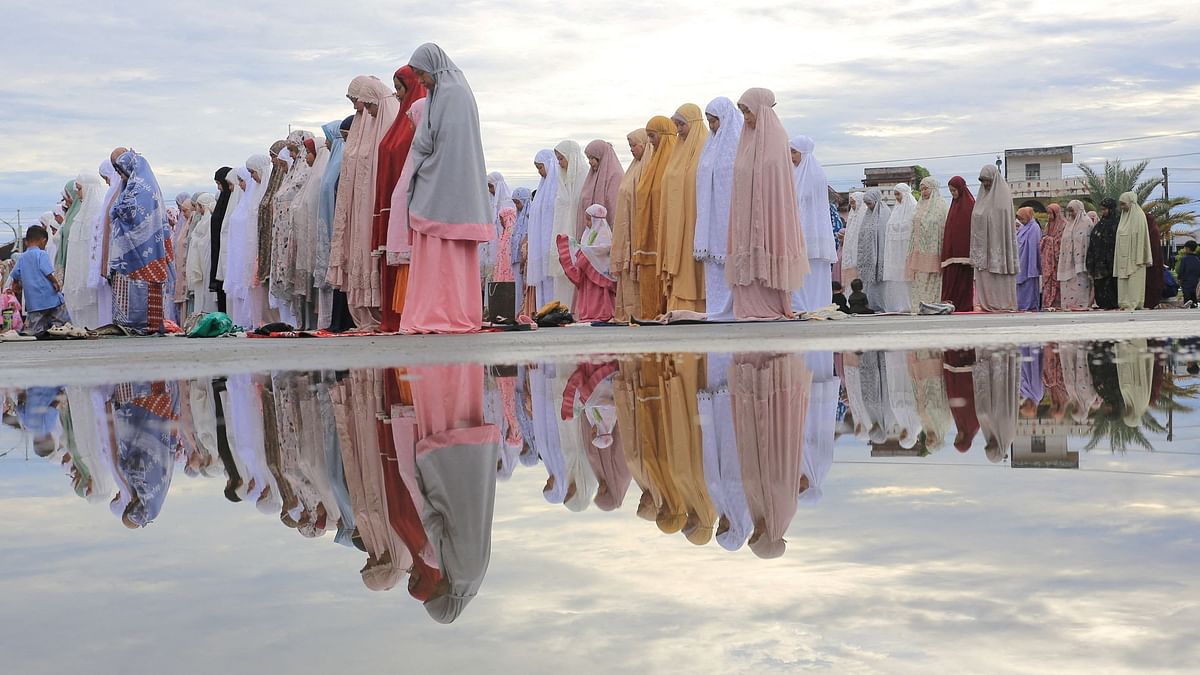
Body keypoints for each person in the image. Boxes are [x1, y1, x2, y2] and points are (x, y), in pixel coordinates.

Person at [400, 44, 493, 334]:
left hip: (443, 185)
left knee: (443, 252)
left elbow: (436, 141)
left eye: (421, 74)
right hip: (446, 184)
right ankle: (448, 312)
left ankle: (442, 314)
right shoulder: (449, 92)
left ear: (433, 67)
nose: (421, 81)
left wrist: (420, 160)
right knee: (446, 254)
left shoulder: (451, 95)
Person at [726, 88, 808, 320]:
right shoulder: (746, 139)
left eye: (748, 111)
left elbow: (775, 175)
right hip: (747, 211)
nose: (746, 117)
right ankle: (750, 303)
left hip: (770, 212)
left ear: (760, 109)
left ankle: (772, 302)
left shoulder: (777, 137)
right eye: (742, 112)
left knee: (769, 245)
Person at [107, 148, 174, 332]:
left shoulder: (144, 188)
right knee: (126, 286)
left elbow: (131, 213)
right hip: (127, 249)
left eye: (122, 171)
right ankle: (127, 323)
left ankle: (145, 324)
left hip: (145, 249)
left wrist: (118, 210)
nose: (120, 176)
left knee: (145, 285)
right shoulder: (128, 188)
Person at [694, 97, 742, 321]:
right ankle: (716, 309)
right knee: (714, 266)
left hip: (730, 214)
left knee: (730, 261)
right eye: (709, 121)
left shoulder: (736, 144)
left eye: (714, 121)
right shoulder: (710, 147)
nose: (712, 126)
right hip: (711, 217)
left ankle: (735, 308)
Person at [660, 104, 709, 313]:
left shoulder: (704, 149)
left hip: (695, 220)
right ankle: (678, 306)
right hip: (676, 223)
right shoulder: (678, 153)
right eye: (677, 124)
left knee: (693, 263)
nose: (678, 129)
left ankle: (698, 307)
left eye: (682, 124)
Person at [633, 116, 677, 319]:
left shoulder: (673, 161)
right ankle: (650, 313)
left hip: (667, 234)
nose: (650, 141)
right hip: (650, 236)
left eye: (652, 136)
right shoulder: (653, 163)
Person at [788, 135, 836, 313]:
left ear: (805, 152)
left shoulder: (816, 175)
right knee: (800, 272)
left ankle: (817, 305)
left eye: (794, 152)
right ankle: (801, 306)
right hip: (797, 230)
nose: (791, 157)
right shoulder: (793, 174)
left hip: (813, 231)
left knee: (814, 271)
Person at [612, 130, 652, 322]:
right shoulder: (633, 168)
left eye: (634, 146)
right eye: (630, 147)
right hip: (627, 231)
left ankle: (639, 311)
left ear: (644, 145)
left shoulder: (647, 166)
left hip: (638, 230)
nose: (632, 150)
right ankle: (628, 311)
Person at [11, 225, 75, 335]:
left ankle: (39, 334)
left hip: (33, 302)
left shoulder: (22, 257)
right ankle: (59, 331)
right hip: (50, 297)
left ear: (26, 242)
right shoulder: (42, 254)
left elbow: (15, 274)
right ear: (43, 241)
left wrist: (15, 284)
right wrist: (55, 282)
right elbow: (47, 272)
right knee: (61, 321)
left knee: (36, 328)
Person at [556, 204, 615, 322]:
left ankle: (602, 313)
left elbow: (603, 249)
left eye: (589, 219)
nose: (587, 222)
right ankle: (589, 313)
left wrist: (586, 252)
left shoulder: (603, 233)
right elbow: (585, 247)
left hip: (599, 272)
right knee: (588, 293)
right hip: (588, 272)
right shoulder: (588, 233)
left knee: (599, 294)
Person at [970, 164, 1018, 311]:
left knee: (998, 277)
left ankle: (1003, 303)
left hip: (998, 247)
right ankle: (987, 303)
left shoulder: (1002, 198)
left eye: (988, 180)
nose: (985, 184)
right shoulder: (981, 199)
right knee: (985, 277)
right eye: (983, 181)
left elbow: (1000, 220)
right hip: (983, 248)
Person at [550, 140, 589, 307]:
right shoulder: (562, 180)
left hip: (576, 232)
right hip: (561, 233)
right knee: (562, 274)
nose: (560, 163)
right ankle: (563, 309)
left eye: (561, 159)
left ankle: (576, 309)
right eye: (558, 159)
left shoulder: (584, 177)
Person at [906, 176, 948, 309]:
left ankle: (932, 306)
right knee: (919, 279)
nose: (923, 192)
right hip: (919, 251)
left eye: (926, 189)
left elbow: (943, 228)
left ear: (933, 189)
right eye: (921, 189)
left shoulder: (941, 206)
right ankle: (917, 306)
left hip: (934, 251)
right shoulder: (919, 207)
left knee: (932, 280)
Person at [526, 149, 560, 308]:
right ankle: (542, 310)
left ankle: (554, 309)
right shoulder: (541, 190)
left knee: (553, 278)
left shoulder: (558, 187)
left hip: (553, 243)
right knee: (543, 279)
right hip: (541, 243)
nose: (539, 172)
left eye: (540, 167)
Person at [940, 176, 975, 311]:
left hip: (964, 252)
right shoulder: (954, 205)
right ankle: (950, 303)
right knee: (951, 279)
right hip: (952, 252)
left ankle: (964, 305)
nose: (953, 194)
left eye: (954, 190)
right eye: (951, 191)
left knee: (963, 281)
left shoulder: (970, 204)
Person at [1114, 191, 1154, 310]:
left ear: (1131, 202)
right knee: (1123, 281)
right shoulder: (1123, 218)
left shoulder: (1139, 216)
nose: (1122, 207)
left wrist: (1139, 256)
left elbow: (1141, 239)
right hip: (1123, 257)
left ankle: (1134, 302)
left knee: (1134, 281)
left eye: (1124, 204)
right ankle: (1124, 303)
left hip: (1135, 257)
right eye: (1120, 204)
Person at [881, 183, 917, 312]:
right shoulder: (895, 209)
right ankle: (897, 304)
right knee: (897, 278)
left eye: (898, 194)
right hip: (896, 251)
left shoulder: (913, 208)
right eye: (895, 194)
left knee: (906, 278)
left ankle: (909, 304)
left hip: (906, 250)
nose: (897, 197)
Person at [856, 188, 890, 311]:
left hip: (881, 256)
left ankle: (881, 305)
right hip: (869, 257)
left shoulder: (885, 213)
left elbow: (884, 235)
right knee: (870, 285)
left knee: (880, 285)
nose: (868, 206)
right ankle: (870, 305)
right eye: (866, 204)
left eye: (870, 203)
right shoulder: (868, 216)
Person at [1057, 199, 1093, 310]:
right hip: (1068, 261)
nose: (1071, 214)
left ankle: (1081, 304)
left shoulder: (1087, 223)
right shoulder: (1069, 224)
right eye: (1069, 211)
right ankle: (1069, 305)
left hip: (1081, 262)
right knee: (1069, 284)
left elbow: (1087, 242)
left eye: (1072, 211)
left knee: (1080, 283)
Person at [1087, 197, 1119, 309]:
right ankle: (1103, 303)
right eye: (1102, 209)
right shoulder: (1100, 224)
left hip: (1111, 261)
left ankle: (1112, 303)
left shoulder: (1117, 223)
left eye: (1105, 209)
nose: (1103, 212)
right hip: (1099, 261)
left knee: (1110, 283)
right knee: (1100, 283)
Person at [1041, 203, 1067, 309]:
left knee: (1057, 280)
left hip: (1058, 259)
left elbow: (1062, 241)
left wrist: (1050, 240)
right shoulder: (1048, 225)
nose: (1049, 216)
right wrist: (1047, 240)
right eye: (1048, 213)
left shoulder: (1063, 225)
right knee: (1048, 281)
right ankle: (1048, 302)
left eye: (1051, 213)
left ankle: (1058, 302)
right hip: (1048, 260)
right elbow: (1043, 238)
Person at [1015, 206, 1042, 311]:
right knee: (1020, 285)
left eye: (1022, 218)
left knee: (1030, 285)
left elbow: (1034, 247)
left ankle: (1031, 305)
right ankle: (1021, 305)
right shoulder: (1022, 227)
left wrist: (1033, 265)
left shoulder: (1034, 227)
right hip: (1020, 260)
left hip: (1029, 261)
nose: (1021, 221)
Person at [840, 191, 866, 281]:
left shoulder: (864, 215)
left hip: (860, 248)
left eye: (853, 202)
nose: (852, 205)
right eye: (850, 203)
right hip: (850, 248)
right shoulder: (851, 216)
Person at [1176, 240, 1200, 305]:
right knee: (1193, 295)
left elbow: (1181, 271)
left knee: (1187, 297)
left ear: (1187, 248)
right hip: (1195, 281)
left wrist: (1179, 279)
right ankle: (1194, 304)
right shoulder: (1197, 258)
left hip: (1186, 282)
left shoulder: (1184, 259)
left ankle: (1187, 305)